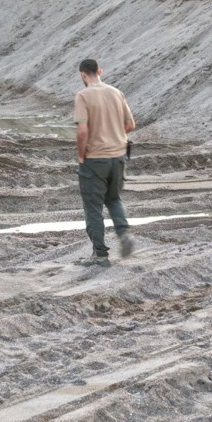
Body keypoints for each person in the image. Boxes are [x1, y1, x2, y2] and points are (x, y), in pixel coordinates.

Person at [73, 59, 136, 267]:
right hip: (118, 156)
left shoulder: (83, 96)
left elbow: (82, 131)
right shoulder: (116, 92)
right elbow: (130, 124)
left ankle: (100, 254)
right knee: (114, 199)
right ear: (100, 71)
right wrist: (115, 136)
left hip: (95, 159)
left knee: (93, 207)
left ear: (83, 74)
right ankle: (124, 233)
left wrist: (82, 155)